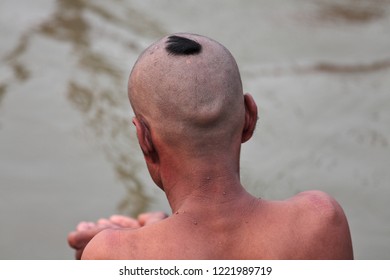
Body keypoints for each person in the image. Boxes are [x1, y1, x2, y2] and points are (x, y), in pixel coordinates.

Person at [67, 33, 353, 259]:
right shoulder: (321, 224)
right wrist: (155, 230)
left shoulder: (115, 257)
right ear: (249, 117)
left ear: (144, 138)